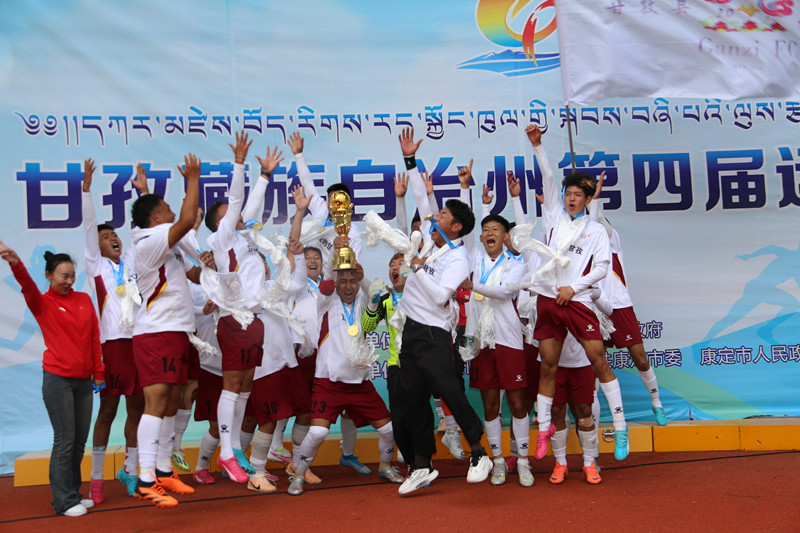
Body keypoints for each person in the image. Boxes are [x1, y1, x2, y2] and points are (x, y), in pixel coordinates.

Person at [392, 127, 491, 495]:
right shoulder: (433, 244)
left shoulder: (458, 258)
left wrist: (418, 268)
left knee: (449, 390)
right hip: (411, 332)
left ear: (457, 227)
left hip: (434, 334)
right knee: (413, 400)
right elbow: (421, 195)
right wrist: (410, 160)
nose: (434, 219)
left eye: (443, 215)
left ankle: (479, 452)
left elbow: (438, 298)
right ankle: (422, 466)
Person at [523, 124, 629, 462]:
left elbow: (601, 269)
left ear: (587, 199)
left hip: (578, 300)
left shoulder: (595, 231)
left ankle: (621, 427)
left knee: (598, 359)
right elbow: (548, 178)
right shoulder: (553, 218)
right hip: (549, 298)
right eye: (568, 193)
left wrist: (574, 287)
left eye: (577, 195)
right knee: (548, 366)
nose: (570, 198)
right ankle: (543, 430)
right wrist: (538, 146)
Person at [0, 243, 104, 517]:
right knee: (65, 440)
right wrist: (15, 263)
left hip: (84, 381)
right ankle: (64, 501)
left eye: (72, 276)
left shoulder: (84, 299)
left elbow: (94, 337)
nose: (69, 281)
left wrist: (99, 371)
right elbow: (27, 287)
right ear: (49, 276)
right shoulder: (42, 303)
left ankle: (73, 493)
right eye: (63, 276)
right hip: (58, 380)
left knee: (79, 442)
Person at [289, 131, 370, 476]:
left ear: (350, 207)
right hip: (320, 307)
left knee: (350, 385)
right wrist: (299, 155)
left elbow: (351, 275)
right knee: (307, 395)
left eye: (343, 203)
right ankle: (296, 461)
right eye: (333, 202)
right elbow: (309, 188)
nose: (337, 208)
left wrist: (342, 250)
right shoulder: (321, 215)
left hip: (344, 309)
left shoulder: (356, 235)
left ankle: (347, 453)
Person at [204, 131, 283, 483]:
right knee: (232, 386)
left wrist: (264, 175)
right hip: (234, 320)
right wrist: (239, 164)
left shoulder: (244, 235)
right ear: (220, 224)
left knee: (246, 387)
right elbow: (237, 201)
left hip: (255, 320)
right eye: (229, 216)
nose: (237, 216)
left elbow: (247, 208)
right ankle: (225, 451)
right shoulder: (222, 240)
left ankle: (235, 447)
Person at [288, 265, 402, 495]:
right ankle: (298, 474)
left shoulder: (363, 301)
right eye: (343, 281)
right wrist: (335, 262)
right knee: (317, 433)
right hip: (328, 384)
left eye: (353, 281)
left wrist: (363, 277)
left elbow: (373, 292)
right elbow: (327, 282)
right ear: (336, 284)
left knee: (389, 430)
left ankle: (385, 467)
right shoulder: (326, 301)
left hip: (360, 384)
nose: (348, 286)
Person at [129, 153, 203, 507]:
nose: (173, 210)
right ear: (156, 219)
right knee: (156, 403)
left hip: (177, 331)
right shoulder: (149, 242)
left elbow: (194, 274)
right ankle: (145, 479)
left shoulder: (166, 244)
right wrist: (193, 179)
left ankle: (162, 469)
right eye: (166, 207)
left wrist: (217, 268)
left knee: (172, 400)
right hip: (156, 332)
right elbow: (187, 219)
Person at [458, 165, 532, 487]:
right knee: (490, 405)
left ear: (505, 237)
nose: (490, 233)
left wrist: (474, 286)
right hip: (481, 342)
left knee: (516, 403)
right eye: (486, 229)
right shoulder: (474, 258)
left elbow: (504, 292)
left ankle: (524, 461)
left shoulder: (516, 263)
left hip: (509, 340)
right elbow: (465, 230)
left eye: (496, 229)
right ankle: (498, 461)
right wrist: (467, 190)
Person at [81, 159, 146, 501]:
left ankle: (130, 472)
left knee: (137, 408)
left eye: (114, 235)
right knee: (107, 411)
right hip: (113, 346)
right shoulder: (97, 267)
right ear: (98, 246)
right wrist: (86, 192)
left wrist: (144, 193)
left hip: (138, 344)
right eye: (105, 238)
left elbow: (142, 231)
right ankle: (95, 480)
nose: (112, 239)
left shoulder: (131, 263)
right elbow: (89, 227)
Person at [589, 179, 667, 426]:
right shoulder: (583, 247)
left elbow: (596, 220)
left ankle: (657, 403)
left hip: (619, 306)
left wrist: (593, 197)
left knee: (640, 358)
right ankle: (593, 421)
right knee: (595, 366)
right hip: (593, 309)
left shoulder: (613, 241)